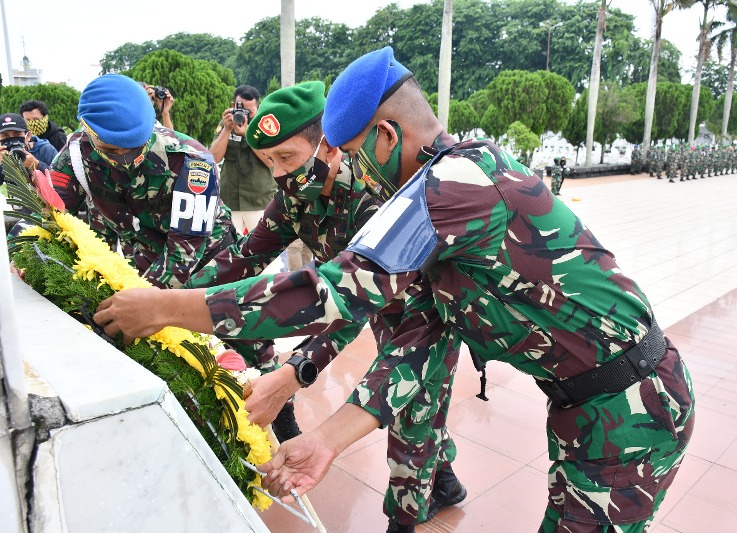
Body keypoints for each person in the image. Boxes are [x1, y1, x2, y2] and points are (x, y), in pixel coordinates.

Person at [94, 47, 695, 532]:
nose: (357, 170)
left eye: (357, 153)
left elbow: (330, 295)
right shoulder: (444, 192)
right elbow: (421, 336)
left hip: (629, 405)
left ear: (385, 134)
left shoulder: (446, 189)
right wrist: (326, 441)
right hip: (586, 403)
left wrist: (167, 308)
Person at [185, 81, 465, 532]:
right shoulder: (295, 199)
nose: (278, 175)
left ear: (329, 147)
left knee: (410, 423)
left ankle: (406, 518)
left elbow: (344, 306)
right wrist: (171, 299)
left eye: (288, 159)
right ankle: (446, 483)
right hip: (378, 311)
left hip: (425, 320)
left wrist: (294, 372)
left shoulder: (374, 202)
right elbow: (243, 258)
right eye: (268, 162)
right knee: (421, 410)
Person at [48, 73, 236, 289]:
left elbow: (185, 251)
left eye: (135, 146)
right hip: (141, 263)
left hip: (209, 265)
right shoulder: (75, 154)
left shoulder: (190, 161)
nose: (123, 158)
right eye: (109, 149)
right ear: (88, 132)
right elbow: (48, 213)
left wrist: (141, 300)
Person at [209, 85, 278, 236]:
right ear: (233, 105)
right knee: (228, 248)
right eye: (241, 109)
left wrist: (248, 134)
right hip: (230, 198)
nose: (244, 115)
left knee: (264, 250)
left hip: (258, 199)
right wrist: (227, 129)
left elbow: (270, 161)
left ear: (257, 108)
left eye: (250, 111)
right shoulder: (226, 124)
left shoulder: (265, 126)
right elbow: (213, 158)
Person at [0, 112, 58, 186]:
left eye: (17, 134)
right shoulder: (1, 155)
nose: (13, 141)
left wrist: (37, 165)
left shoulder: (45, 150)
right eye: (5, 136)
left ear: (28, 136)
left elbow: (62, 180)